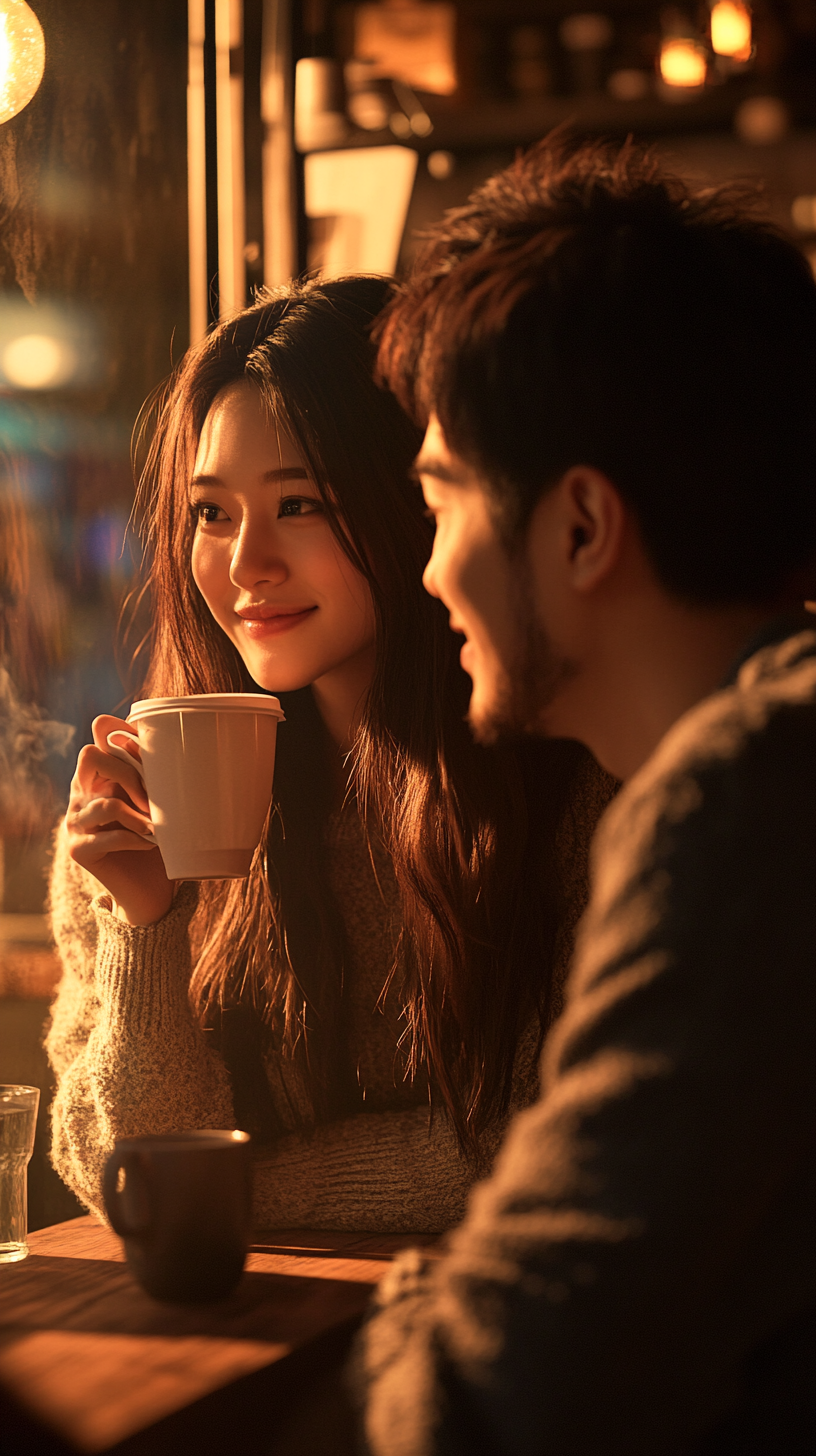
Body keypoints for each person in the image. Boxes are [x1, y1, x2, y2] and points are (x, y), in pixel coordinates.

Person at [355, 138, 816, 1451]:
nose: (430, 571)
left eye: (442, 500)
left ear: (579, 529)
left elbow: (491, 1405)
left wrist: (422, 1299)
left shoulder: (743, 801)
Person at [45, 276, 613, 1233]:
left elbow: (551, 1144)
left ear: (420, 505)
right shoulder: (142, 804)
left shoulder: (572, 783)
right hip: (250, 1340)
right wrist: (144, 924)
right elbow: (111, 1171)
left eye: (299, 504)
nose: (244, 563)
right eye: (212, 513)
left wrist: (234, 1190)